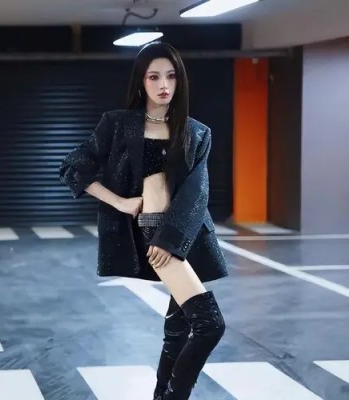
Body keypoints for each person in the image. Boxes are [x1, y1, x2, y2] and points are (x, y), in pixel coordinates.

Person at [58, 41, 229, 400]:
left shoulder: (197, 132)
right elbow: (75, 167)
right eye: (154, 77)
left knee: (179, 331)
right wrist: (120, 202)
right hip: (153, 229)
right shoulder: (118, 124)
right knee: (209, 324)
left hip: (187, 234)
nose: (164, 84)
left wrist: (172, 239)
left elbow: (197, 193)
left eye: (171, 76)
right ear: (141, 82)